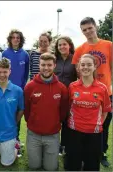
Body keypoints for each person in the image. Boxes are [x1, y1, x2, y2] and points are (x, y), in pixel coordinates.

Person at [71, 17, 112, 167]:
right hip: (85, 93)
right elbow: (77, 71)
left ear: (95, 27)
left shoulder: (108, 45)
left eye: (90, 28)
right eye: (84, 30)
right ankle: (82, 154)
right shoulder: (80, 49)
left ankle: (102, 153)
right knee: (84, 126)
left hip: (105, 92)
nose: (88, 32)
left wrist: (110, 86)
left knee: (103, 126)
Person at [24, 53, 68, 171]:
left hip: (52, 134)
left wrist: (54, 123)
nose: (46, 68)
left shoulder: (61, 88)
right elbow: (26, 110)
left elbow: (63, 112)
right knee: (34, 166)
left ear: (54, 65)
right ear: (39, 65)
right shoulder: (30, 86)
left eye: (49, 65)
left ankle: (49, 157)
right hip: (34, 134)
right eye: (43, 65)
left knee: (51, 168)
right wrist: (33, 122)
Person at [67, 54, 111, 171]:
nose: (85, 67)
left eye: (89, 64)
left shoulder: (102, 88)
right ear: (78, 67)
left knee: (91, 165)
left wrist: (97, 124)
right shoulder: (72, 86)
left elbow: (106, 110)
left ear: (94, 67)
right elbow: (68, 107)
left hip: (94, 133)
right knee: (73, 165)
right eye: (83, 64)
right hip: (74, 131)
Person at [0, 58, 24, 166]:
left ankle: (16, 148)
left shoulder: (17, 90)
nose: (2, 75)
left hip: (9, 132)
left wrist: (13, 122)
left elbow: (21, 110)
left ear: (10, 71)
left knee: (6, 164)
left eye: (5, 72)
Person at [2, 29, 30, 153]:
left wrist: (23, 87)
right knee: (6, 115)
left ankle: (16, 139)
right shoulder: (4, 53)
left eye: (18, 37)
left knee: (18, 115)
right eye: (13, 37)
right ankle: (5, 139)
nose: (15, 39)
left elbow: (26, 73)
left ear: (21, 39)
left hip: (19, 91)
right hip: (6, 90)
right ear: (10, 39)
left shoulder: (25, 54)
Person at [54, 36, 77, 167]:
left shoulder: (75, 59)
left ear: (69, 45)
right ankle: (55, 146)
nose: (62, 47)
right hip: (55, 97)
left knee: (68, 124)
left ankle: (65, 147)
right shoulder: (54, 60)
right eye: (59, 45)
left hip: (70, 97)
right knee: (55, 122)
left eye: (64, 44)